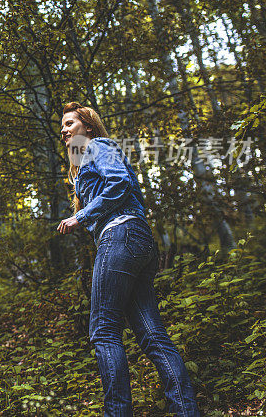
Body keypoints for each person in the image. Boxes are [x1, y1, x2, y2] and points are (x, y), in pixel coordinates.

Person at [56, 101, 201, 417]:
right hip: (135, 242)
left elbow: (121, 183)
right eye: (63, 127)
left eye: (70, 123)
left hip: (121, 236)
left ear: (88, 127)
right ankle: (186, 411)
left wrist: (82, 216)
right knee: (151, 335)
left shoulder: (100, 145)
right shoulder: (83, 162)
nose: (64, 131)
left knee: (104, 331)